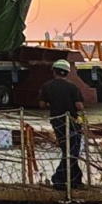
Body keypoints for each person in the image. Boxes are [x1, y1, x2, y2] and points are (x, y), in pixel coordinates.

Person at [38, 59, 84, 189]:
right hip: (73, 123)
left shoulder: (46, 86)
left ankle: (76, 179)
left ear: (54, 71)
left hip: (57, 122)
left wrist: (53, 104)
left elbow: (42, 105)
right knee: (72, 151)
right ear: (67, 73)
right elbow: (79, 106)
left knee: (67, 151)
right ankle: (58, 178)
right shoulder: (73, 87)